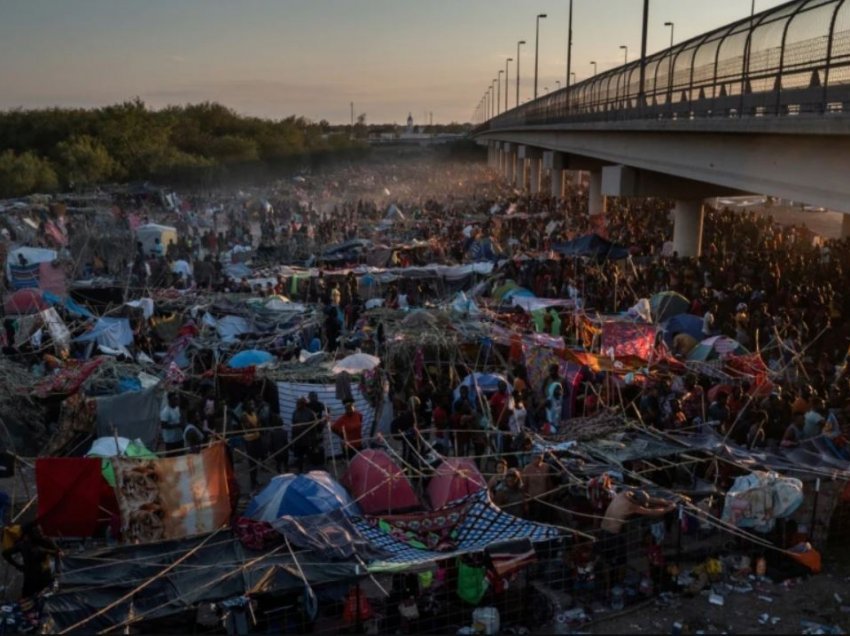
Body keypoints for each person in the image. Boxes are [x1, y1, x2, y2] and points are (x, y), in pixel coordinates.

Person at [598, 490, 675, 584]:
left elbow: (650, 499)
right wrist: (668, 509)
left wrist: (665, 502)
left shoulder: (623, 494)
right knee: (621, 561)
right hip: (613, 535)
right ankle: (619, 583)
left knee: (606, 560)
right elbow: (651, 512)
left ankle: (607, 587)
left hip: (603, 531)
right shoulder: (631, 506)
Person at [3, 522, 62, 598]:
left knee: (45, 599)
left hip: (44, 576)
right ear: (30, 534)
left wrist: (57, 571)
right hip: (29, 577)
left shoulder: (46, 541)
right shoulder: (23, 545)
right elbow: (5, 554)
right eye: (37, 532)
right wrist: (18, 566)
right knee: (26, 600)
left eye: (41, 531)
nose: (40, 534)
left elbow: (58, 553)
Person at [241, 400, 264, 490]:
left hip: (257, 439)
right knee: (252, 462)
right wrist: (256, 427)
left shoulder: (254, 413)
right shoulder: (243, 416)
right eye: (250, 404)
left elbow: (259, 424)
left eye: (253, 404)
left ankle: (255, 480)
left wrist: (257, 426)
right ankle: (253, 483)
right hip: (250, 441)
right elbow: (249, 428)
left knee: (256, 460)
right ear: (246, 407)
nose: (253, 406)